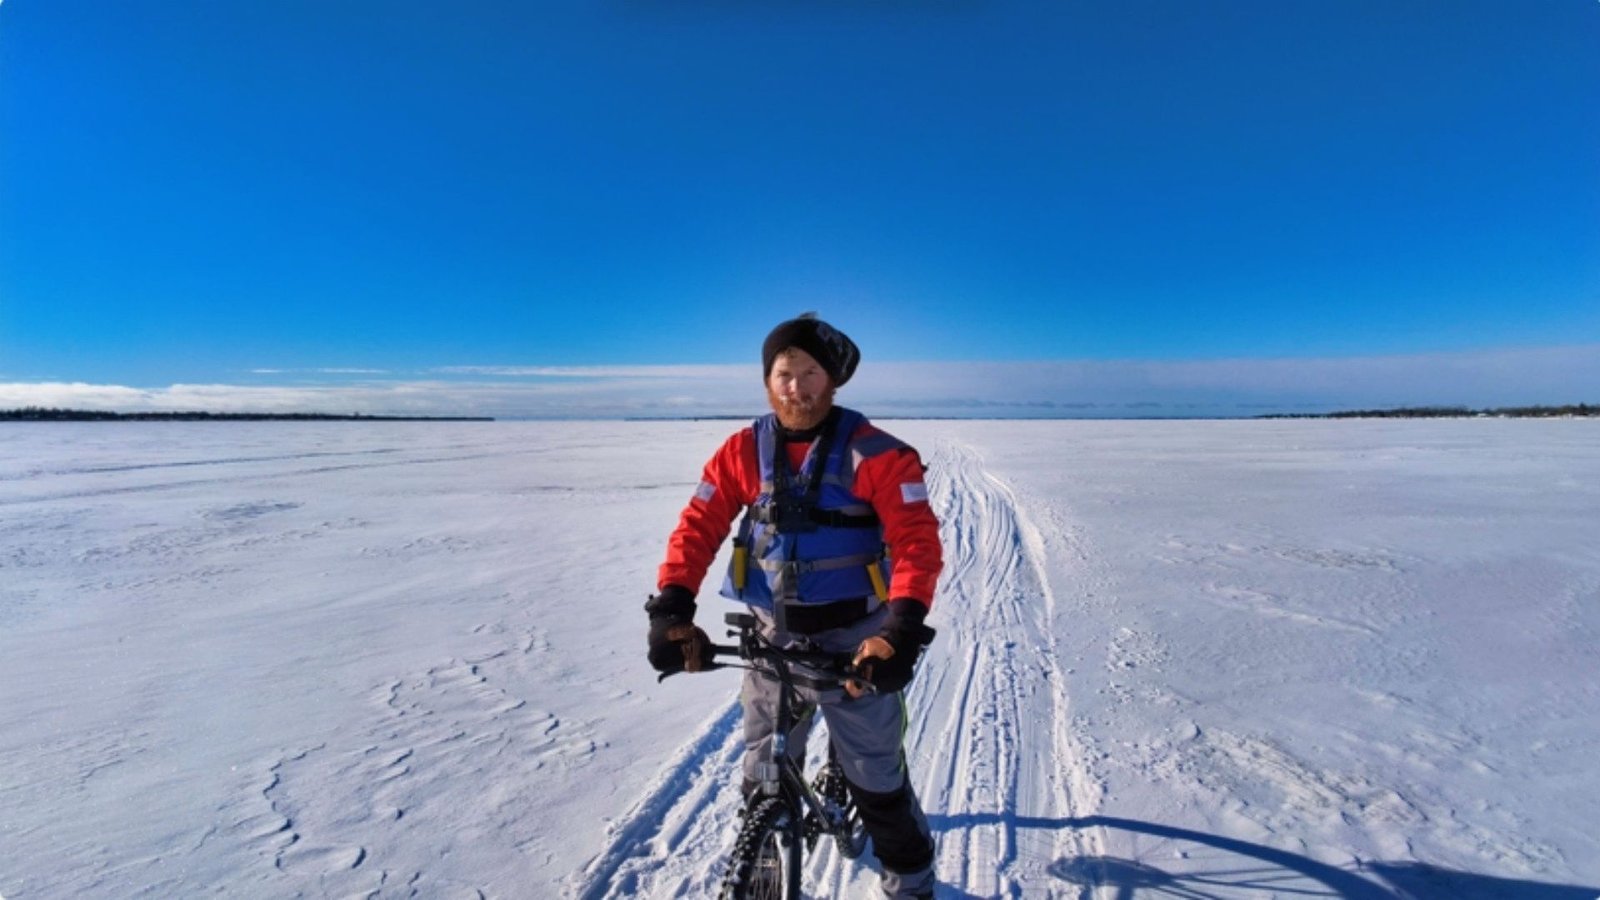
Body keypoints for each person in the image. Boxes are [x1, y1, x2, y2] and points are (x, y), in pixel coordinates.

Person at [646, 313, 943, 899]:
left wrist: (901, 627)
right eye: (785, 373)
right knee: (762, 776)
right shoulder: (741, 451)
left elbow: (916, 542)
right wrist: (672, 607)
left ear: (831, 381)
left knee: (876, 783)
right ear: (767, 380)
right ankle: (764, 866)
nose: (796, 387)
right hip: (771, 638)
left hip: (856, 642)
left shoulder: (878, 453)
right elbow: (698, 525)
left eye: (810, 373)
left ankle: (911, 879)